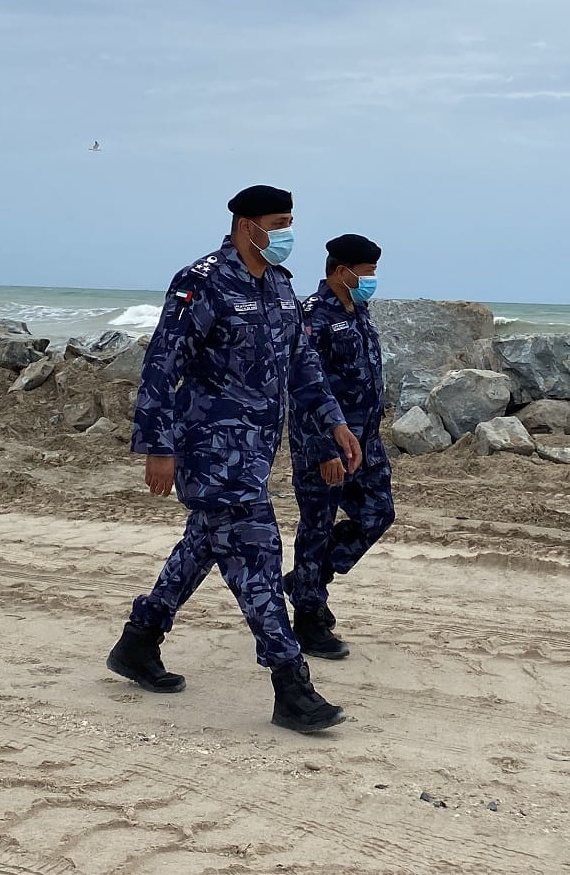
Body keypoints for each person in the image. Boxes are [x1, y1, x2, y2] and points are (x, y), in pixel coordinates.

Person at [106, 185, 363, 733]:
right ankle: (291, 685)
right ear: (248, 225)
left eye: (291, 221)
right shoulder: (201, 281)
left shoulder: (278, 286)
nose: (287, 233)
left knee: (203, 545)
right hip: (209, 452)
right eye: (279, 222)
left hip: (254, 454)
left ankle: (138, 641)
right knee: (259, 555)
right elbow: (161, 365)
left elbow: (301, 365)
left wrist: (334, 421)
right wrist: (158, 447)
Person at [285, 234, 395, 659]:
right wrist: (323, 449)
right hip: (326, 442)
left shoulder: (359, 309)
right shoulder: (313, 315)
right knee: (316, 525)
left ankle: (305, 582)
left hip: (365, 440)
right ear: (340, 272)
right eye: (365, 274)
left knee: (378, 512)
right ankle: (308, 618)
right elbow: (303, 387)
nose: (370, 281)